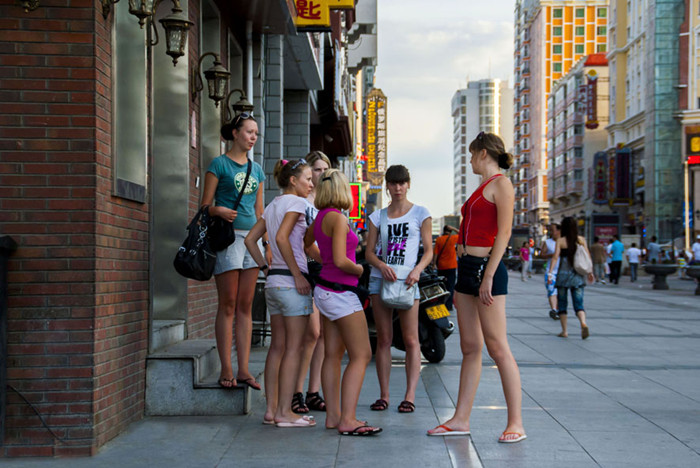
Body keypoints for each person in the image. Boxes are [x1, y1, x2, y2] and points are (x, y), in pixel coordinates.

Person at [427, 132, 525, 443]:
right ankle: (460, 419)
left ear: (484, 153)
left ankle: (516, 424)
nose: (469, 160)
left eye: (471, 154)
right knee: (470, 347)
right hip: (466, 269)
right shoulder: (481, 188)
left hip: (487, 271)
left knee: (497, 347)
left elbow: (505, 233)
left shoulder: (502, 184)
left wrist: (488, 276)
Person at [304, 169, 381, 436]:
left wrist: (323, 262)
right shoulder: (337, 218)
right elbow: (340, 260)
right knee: (362, 354)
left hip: (325, 291)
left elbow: (307, 244)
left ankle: (334, 416)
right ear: (340, 190)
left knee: (333, 355)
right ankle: (347, 419)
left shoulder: (321, 216)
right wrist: (359, 270)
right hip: (341, 293)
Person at [245, 159, 316, 427]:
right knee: (294, 349)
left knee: (277, 347)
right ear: (293, 180)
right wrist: (298, 274)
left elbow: (250, 239)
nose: (311, 184)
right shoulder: (298, 204)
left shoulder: (274, 205)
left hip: (274, 284)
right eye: (307, 179)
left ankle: (271, 410)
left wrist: (265, 267)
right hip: (292, 284)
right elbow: (285, 239)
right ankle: (286, 412)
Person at [201, 113, 266, 391]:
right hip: (228, 238)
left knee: (245, 306)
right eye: (249, 132)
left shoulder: (258, 169)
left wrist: (268, 247)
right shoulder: (219, 164)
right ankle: (226, 368)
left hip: (253, 240)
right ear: (236, 133)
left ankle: (243, 369)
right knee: (227, 304)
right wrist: (217, 210)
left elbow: (261, 212)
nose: (253, 137)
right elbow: (203, 207)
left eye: (256, 134)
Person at [365, 165, 433, 415]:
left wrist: (417, 270)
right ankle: (383, 395)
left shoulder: (420, 213)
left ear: (408, 184)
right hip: (380, 279)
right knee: (384, 339)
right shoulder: (376, 217)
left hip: (408, 281)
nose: (397, 188)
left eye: (402, 183)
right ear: (387, 186)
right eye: (393, 184)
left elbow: (429, 251)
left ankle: (410, 396)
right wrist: (381, 266)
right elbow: (369, 252)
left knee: (411, 339)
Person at [291, 151, 331, 415]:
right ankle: (296, 392)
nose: (322, 174)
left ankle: (313, 391)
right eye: (317, 169)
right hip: (307, 269)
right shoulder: (300, 202)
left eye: (326, 169)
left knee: (325, 335)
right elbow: (300, 243)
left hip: (327, 273)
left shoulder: (330, 204)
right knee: (312, 333)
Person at [548, 216, 594, 339]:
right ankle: (583, 323)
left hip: (563, 277)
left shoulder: (561, 241)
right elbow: (587, 257)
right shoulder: (581, 240)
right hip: (577, 276)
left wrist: (550, 273)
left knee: (562, 304)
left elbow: (555, 258)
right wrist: (590, 272)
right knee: (578, 303)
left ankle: (565, 331)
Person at [432, 225, 458, 310]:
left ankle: (442, 305)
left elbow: (435, 253)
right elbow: (463, 235)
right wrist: (454, 229)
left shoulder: (439, 240)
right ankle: (449, 306)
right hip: (451, 266)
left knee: (442, 286)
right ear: (450, 231)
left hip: (441, 266)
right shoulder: (453, 238)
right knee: (450, 286)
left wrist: (434, 264)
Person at [539, 224, 561, 319]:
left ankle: (559, 309)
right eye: (550, 231)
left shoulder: (565, 242)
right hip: (551, 271)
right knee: (551, 290)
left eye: (553, 230)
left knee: (560, 292)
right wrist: (551, 255)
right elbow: (541, 254)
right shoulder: (547, 242)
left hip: (562, 271)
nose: (552, 233)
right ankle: (554, 310)